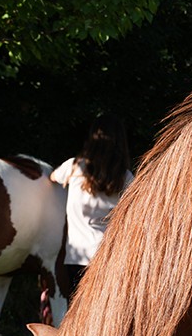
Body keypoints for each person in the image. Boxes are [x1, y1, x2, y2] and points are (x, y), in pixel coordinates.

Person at [50, 114, 134, 296]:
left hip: (77, 257)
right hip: (109, 259)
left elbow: (52, 177)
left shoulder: (74, 167)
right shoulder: (126, 177)